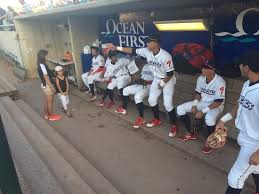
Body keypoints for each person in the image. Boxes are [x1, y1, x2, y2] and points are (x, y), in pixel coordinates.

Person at [110, 35, 178, 135]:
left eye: (149, 42)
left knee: (167, 104)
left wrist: (163, 83)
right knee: (151, 100)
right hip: (156, 79)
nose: (147, 44)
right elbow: (132, 50)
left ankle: (174, 125)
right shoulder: (146, 51)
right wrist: (117, 48)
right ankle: (157, 119)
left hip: (167, 80)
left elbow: (170, 73)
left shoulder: (166, 56)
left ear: (156, 43)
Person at [215, 51, 259, 194]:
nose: (239, 67)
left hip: (254, 143)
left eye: (241, 64)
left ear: (247, 67)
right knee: (256, 169)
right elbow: (239, 104)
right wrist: (223, 120)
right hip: (246, 135)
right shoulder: (248, 83)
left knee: (235, 178)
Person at [176, 60, 226, 154]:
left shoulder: (220, 82)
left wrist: (202, 111)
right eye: (202, 67)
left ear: (212, 70)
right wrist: (195, 104)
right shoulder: (201, 78)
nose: (202, 69)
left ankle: (209, 142)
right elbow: (198, 93)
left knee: (209, 118)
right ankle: (191, 133)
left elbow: (219, 102)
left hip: (215, 105)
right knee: (180, 109)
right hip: (202, 102)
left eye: (204, 68)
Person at [115, 60, 154, 129]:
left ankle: (141, 118)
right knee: (125, 90)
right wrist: (137, 79)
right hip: (140, 85)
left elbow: (157, 80)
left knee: (137, 97)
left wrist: (145, 81)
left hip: (149, 87)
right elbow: (142, 76)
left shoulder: (155, 67)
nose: (148, 59)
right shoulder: (145, 66)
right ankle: (124, 108)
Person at [37, 49, 61, 121]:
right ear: (42, 56)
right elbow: (46, 77)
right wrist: (52, 87)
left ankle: (46, 115)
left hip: (44, 85)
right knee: (50, 101)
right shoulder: (42, 65)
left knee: (46, 101)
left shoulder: (39, 64)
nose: (46, 57)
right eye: (45, 55)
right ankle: (52, 116)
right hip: (47, 85)